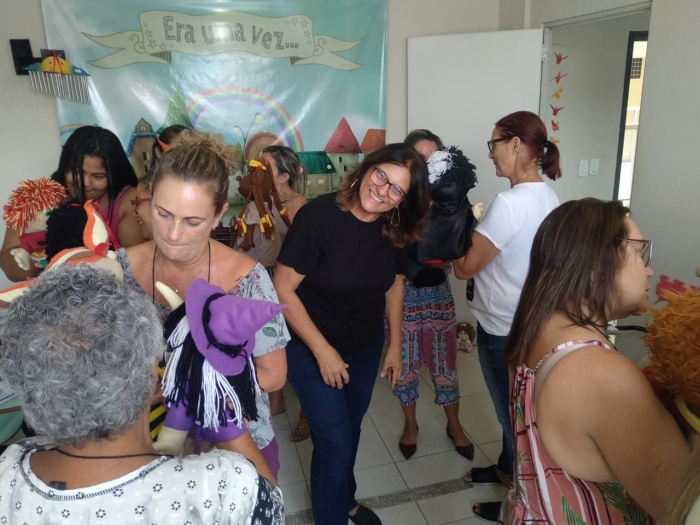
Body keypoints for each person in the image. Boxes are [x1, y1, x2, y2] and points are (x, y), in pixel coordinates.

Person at [0, 264, 283, 524]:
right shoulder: (224, 488)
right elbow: (269, 506)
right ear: (151, 368)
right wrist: (231, 431)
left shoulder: (8, 467)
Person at [498, 198, 689, 523]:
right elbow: (684, 508)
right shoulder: (600, 373)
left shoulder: (531, 337)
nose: (649, 269)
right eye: (640, 252)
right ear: (598, 263)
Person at [115, 130, 289, 482]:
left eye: (192, 222)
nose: (173, 234)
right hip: (144, 444)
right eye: (163, 213)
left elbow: (274, 375)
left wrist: (192, 385)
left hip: (236, 440)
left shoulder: (248, 280)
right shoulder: (118, 272)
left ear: (218, 214)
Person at [274, 143, 430, 525]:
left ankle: (344, 499)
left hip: (364, 345)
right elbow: (282, 289)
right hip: (309, 345)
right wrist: (323, 351)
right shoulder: (318, 217)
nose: (383, 190)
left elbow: (394, 283)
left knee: (350, 428)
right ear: (367, 168)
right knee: (335, 443)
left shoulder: (392, 227)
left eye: (397, 189)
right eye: (382, 175)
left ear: (403, 201)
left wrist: (394, 344)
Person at [452, 110, 561, 522]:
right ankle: (504, 468)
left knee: (512, 417)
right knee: (518, 409)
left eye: (494, 144)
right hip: (530, 322)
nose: (491, 153)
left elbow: (465, 268)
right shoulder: (549, 197)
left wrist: (454, 233)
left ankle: (522, 500)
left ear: (515, 145)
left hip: (501, 328)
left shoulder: (509, 204)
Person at [393, 130, 474, 461]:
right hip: (401, 292)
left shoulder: (452, 199)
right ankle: (410, 424)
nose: (427, 167)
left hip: (438, 290)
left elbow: (461, 244)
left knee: (445, 361)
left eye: (433, 158)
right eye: (420, 159)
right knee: (405, 364)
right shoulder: (396, 196)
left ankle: (455, 424)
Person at [238, 145, 308, 425]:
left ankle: (303, 409)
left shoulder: (297, 204)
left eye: (264, 167)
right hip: (252, 278)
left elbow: (299, 252)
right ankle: (273, 397)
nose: (257, 170)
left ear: (284, 176)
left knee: (284, 341)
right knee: (260, 340)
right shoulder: (256, 200)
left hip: (279, 281)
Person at [50, 125, 145, 248]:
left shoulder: (129, 203)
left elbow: (138, 258)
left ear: (114, 175)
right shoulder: (48, 193)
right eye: (77, 172)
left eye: (97, 176)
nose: (84, 183)